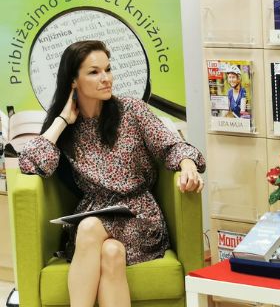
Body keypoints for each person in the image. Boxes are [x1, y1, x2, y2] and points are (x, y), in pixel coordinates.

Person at [19, 40, 205, 307]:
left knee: (89, 228)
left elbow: (172, 145)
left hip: (139, 216)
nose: (106, 78)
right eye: (94, 72)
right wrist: (61, 121)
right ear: (73, 80)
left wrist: (187, 164)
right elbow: (30, 163)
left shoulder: (132, 111)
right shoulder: (68, 128)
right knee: (111, 253)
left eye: (108, 69)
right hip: (94, 216)